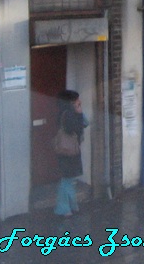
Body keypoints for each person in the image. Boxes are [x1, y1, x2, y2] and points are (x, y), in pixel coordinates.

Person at [54, 89, 88, 217]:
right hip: (68, 151)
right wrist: (79, 113)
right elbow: (77, 127)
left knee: (69, 178)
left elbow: (86, 122)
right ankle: (63, 208)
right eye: (76, 100)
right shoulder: (68, 114)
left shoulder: (66, 113)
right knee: (67, 179)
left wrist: (79, 112)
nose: (78, 102)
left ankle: (71, 205)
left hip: (69, 150)